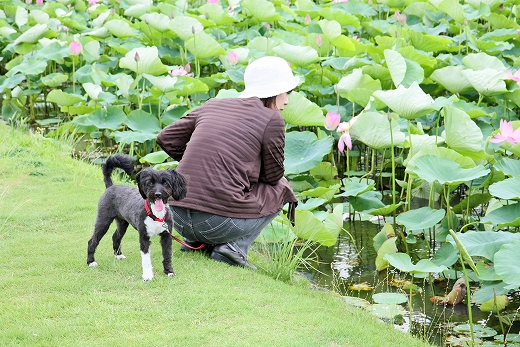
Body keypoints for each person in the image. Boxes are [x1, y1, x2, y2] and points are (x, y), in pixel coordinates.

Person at [156, 56, 299, 269]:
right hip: (218, 224)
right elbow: (273, 177)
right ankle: (234, 248)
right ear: (275, 91)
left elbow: (165, 138)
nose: (287, 100)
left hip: (178, 218)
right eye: (286, 92)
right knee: (283, 187)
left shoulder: (212, 105)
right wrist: (237, 169)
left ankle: (196, 241)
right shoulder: (272, 118)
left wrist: (203, 163)